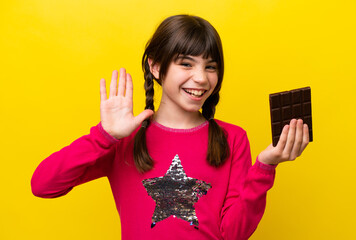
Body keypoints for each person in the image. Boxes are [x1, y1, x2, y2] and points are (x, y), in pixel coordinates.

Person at [31, 14, 309, 240]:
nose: (200, 78)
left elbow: (233, 234)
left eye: (210, 67)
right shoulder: (125, 138)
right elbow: (43, 184)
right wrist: (105, 136)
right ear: (155, 66)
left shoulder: (232, 138)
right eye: (186, 64)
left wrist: (264, 166)